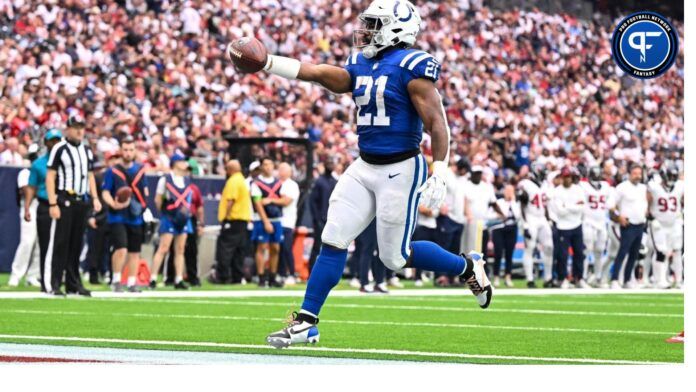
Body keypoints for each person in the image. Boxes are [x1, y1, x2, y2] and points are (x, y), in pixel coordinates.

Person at [262, 0, 492, 348]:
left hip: (401, 168)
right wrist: (268, 63)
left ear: (396, 28)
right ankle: (306, 322)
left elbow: (436, 122)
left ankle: (467, 267)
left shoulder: (412, 67)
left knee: (394, 259)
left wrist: (440, 170)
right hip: (364, 164)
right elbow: (320, 73)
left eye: (374, 24)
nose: (366, 30)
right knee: (334, 237)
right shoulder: (361, 63)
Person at [45, 114, 102, 296]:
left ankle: (73, 283)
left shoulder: (86, 150)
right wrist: (53, 202)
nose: (79, 131)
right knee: (61, 243)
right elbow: (50, 176)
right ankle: (54, 283)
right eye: (75, 127)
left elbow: (90, 175)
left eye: (81, 127)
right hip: (64, 199)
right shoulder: (59, 149)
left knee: (76, 244)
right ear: (68, 129)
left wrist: (95, 198)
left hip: (81, 201)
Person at [101, 136, 149, 292]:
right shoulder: (113, 171)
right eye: (125, 150)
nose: (128, 153)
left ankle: (132, 282)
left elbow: (145, 191)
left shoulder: (141, 170)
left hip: (135, 216)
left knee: (135, 252)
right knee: (120, 248)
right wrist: (112, 203)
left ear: (135, 152)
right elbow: (106, 192)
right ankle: (116, 280)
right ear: (121, 151)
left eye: (131, 150)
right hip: (117, 215)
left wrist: (143, 207)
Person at [26, 128, 63, 293]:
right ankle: (45, 281)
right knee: (45, 244)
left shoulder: (66, 162)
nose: (55, 143)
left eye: (57, 140)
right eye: (52, 140)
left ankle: (57, 280)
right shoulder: (39, 164)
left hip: (63, 205)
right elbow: (31, 187)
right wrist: (27, 207)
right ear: (46, 143)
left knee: (62, 245)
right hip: (45, 204)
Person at [150, 153, 193, 290]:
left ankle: (178, 278)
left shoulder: (186, 180)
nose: (185, 164)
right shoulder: (166, 179)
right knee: (163, 247)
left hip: (182, 217)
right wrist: (164, 212)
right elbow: (158, 199)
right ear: (175, 163)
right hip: (169, 216)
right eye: (182, 161)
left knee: (180, 249)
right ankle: (153, 277)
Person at [608, 164, 648, 289]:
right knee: (622, 252)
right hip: (628, 224)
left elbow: (644, 203)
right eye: (635, 173)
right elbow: (611, 204)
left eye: (639, 173)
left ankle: (627, 279)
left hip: (640, 223)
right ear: (630, 174)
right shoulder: (622, 187)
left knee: (634, 254)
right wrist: (618, 216)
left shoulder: (642, 188)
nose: (638, 176)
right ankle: (614, 279)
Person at [212, 159, 252, 284]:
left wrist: (226, 217)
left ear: (229, 169)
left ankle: (223, 276)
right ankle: (237, 276)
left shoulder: (233, 181)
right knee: (239, 250)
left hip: (233, 219)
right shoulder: (241, 180)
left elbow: (230, 200)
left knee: (225, 248)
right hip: (242, 220)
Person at [8, 143, 41, 287]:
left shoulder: (44, 172)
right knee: (27, 241)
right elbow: (27, 190)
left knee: (40, 244)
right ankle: (16, 274)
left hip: (42, 206)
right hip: (30, 207)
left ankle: (33, 275)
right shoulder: (25, 172)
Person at [647, 162, 683, 289]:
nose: (672, 179)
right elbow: (647, 200)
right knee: (661, 252)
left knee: (677, 250)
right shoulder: (653, 187)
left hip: (674, 223)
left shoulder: (680, 186)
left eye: (674, 176)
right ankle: (659, 280)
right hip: (659, 224)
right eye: (670, 176)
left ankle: (679, 280)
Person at [517, 164, 554, 288]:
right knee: (530, 248)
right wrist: (525, 224)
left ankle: (548, 278)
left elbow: (545, 204)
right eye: (543, 172)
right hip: (530, 218)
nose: (544, 175)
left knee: (549, 247)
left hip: (542, 218)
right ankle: (530, 279)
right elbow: (521, 204)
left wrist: (549, 219)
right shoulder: (525, 184)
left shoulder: (544, 185)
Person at [250, 157, 284, 288]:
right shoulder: (256, 184)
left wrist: (270, 200)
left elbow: (286, 200)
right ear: (261, 167)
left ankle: (273, 276)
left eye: (270, 164)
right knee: (262, 247)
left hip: (276, 219)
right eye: (265, 165)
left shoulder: (279, 183)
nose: (268, 167)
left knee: (275, 248)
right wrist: (265, 222)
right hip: (262, 220)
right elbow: (258, 203)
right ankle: (261, 277)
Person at [166, 175, 204, 286]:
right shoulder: (172, 186)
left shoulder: (193, 188)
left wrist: (200, 223)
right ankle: (171, 277)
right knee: (174, 248)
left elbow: (199, 206)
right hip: (174, 217)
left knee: (191, 249)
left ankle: (193, 277)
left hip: (189, 218)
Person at [552, 167, 586, 288]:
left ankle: (579, 277)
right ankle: (563, 278)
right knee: (563, 255)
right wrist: (574, 206)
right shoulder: (557, 191)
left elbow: (582, 207)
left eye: (569, 177)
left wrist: (567, 206)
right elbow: (560, 211)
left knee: (579, 253)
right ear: (562, 178)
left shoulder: (578, 189)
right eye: (565, 177)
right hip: (563, 226)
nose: (568, 179)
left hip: (576, 224)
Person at [464, 166, 505, 261]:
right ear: (472, 174)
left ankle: (481, 271)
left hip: (483, 223)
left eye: (479, 173)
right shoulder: (466, 185)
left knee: (482, 249)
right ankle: (469, 269)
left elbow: (493, 203)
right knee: (470, 247)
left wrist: (502, 214)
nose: (478, 175)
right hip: (469, 222)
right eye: (476, 173)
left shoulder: (487, 187)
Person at [581, 166, 611, 286]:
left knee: (599, 251)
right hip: (588, 222)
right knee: (586, 250)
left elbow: (609, 202)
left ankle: (598, 277)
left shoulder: (605, 186)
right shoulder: (583, 186)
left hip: (601, 222)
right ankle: (582, 277)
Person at [308, 160, 337, 271]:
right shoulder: (319, 181)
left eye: (332, 164)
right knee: (317, 245)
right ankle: (311, 271)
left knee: (331, 246)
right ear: (324, 166)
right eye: (328, 164)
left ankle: (327, 271)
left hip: (332, 220)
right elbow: (313, 201)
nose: (331, 166)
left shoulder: (335, 182)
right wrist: (316, 218)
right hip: (321, 220)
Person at [490, 185, 519, 288]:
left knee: (509, 254)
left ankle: (508, 277)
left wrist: (513, 201)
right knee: (498, 252)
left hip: (512, 229)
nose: (509, 193)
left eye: (511, 191)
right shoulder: (499, 202)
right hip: (499, 229)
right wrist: (499, 216)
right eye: (507, 191)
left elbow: (518, 216)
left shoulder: (515, 204)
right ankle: (496, 276)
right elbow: (491, 215)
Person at [277, 162, 300, 285]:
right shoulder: (276, 184)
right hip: (276, 220)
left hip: (287, 221)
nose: (279, 171)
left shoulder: (292, 185)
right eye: (279, 169)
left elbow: (286, 201)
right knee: (277, 249)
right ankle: (280, 273)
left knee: (286, 248)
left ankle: (291, 273)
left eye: (282, 169)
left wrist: (271, 199)